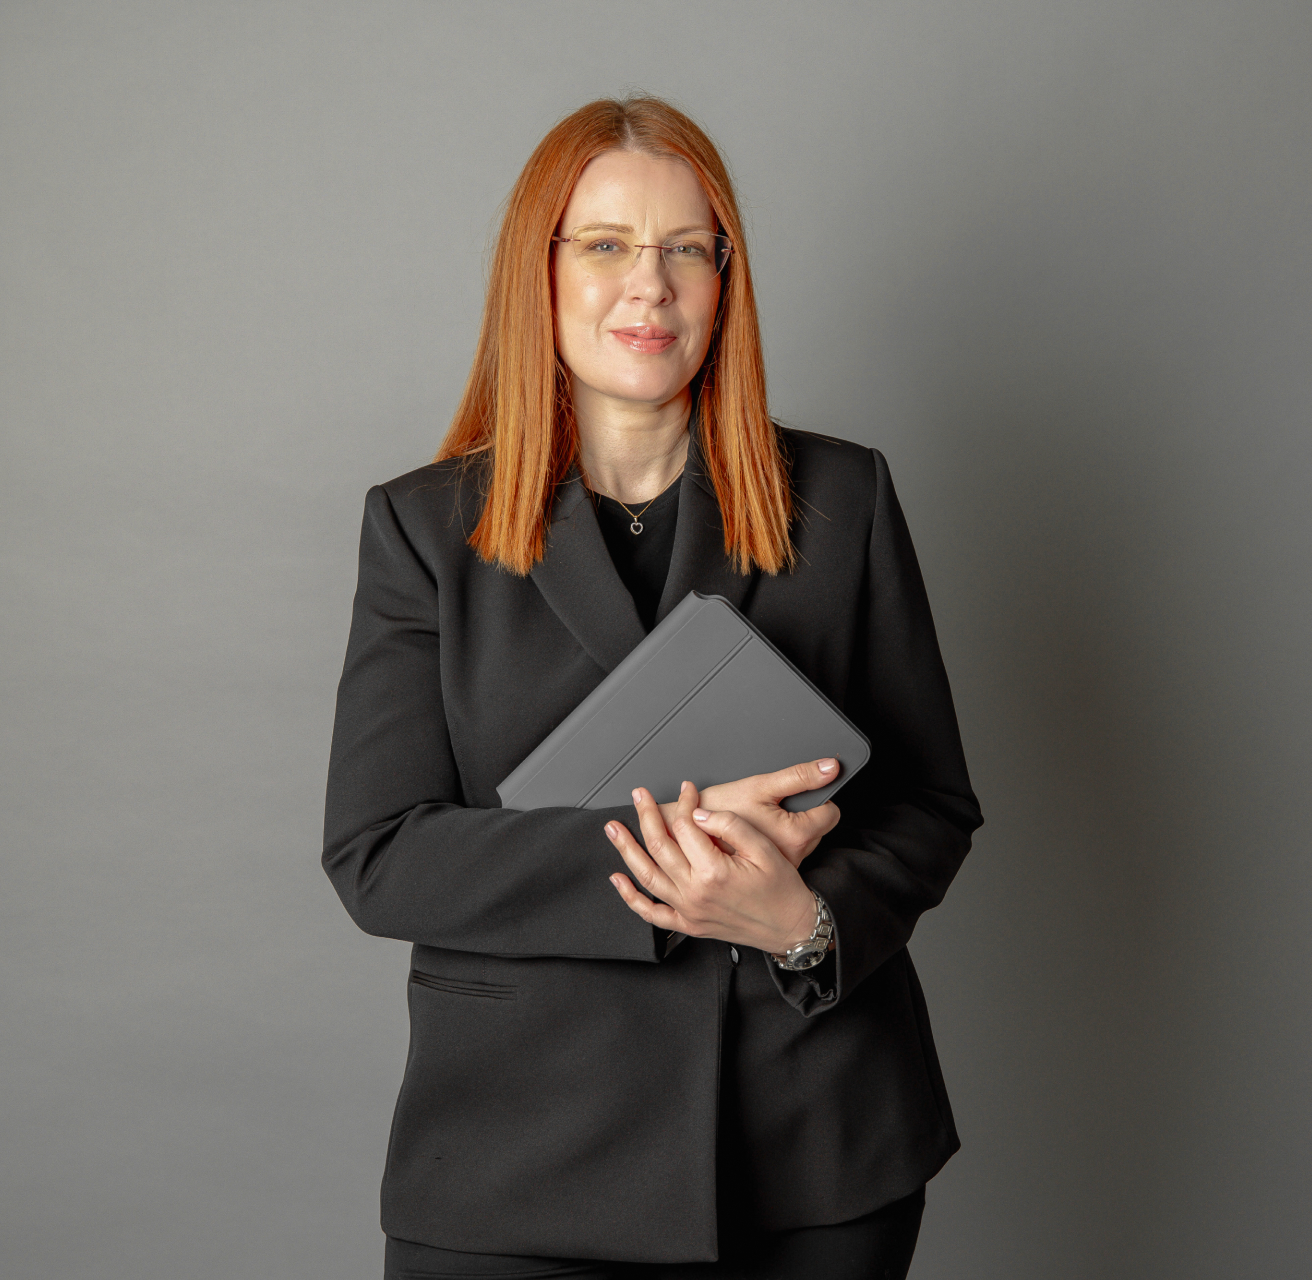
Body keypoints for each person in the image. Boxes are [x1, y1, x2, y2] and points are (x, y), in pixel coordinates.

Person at [323, 95, 982, 1280]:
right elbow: (379, 851)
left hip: (815, 1142)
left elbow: (932, 802)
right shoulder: (423, 529)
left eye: (688, 248)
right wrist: (675, 869)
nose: (652, 285)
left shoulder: (845, 499)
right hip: (517, 1153)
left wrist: (805, 924)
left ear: (725, 280)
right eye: (609, 244)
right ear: (545, 270)